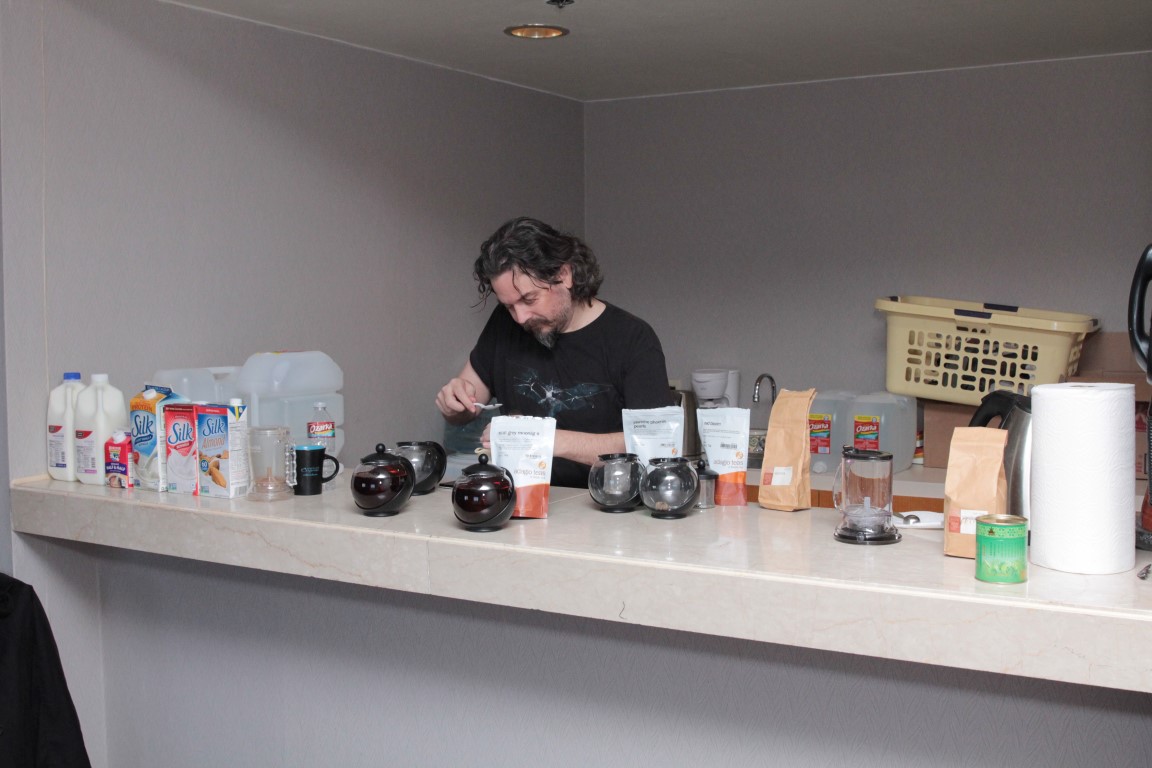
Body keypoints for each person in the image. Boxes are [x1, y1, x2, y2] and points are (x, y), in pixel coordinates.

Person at [436, 216, 674, 487]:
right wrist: (454, 402)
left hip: (609, 503)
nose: (520, 317)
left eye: (529, 299)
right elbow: (465, 405)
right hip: (524, 498)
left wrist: (545, 439)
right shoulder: (504, 324)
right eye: (509, 306)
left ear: (564, 275)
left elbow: (655, 445)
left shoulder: (631, 338)